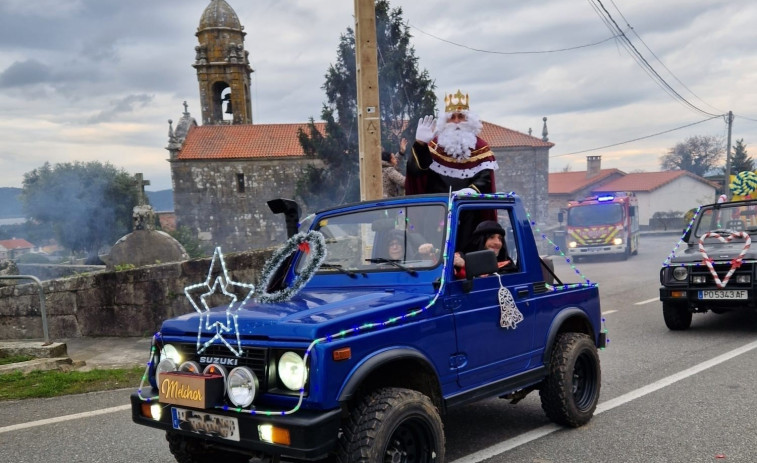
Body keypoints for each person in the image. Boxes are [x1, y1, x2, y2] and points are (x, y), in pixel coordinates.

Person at [405, 90, 499, 251]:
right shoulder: (433, 145)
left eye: (461, 117)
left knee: (468, 252)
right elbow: (417, 174)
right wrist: (420, 145)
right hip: (435, 214)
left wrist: (471, 191)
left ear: (469, 120)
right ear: (445, 121)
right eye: (452, 117)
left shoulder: (481, 147)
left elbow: (486, 178)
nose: (456, 122)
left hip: (469, 213)